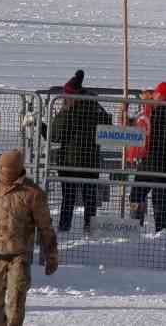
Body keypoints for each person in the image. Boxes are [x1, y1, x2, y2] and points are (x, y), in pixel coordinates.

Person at [0, 150, 59, 326]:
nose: (4, 173)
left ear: (17, 170)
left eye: (8, 170)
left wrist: (51, 256)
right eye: (1, 169)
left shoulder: (32, 193)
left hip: (19, 255)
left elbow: (46, 227)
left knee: (16, 299)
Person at [47, 79, 111, 235]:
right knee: (90, 199)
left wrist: (62, 113)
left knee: (68, 199)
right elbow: (107, 127)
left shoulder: (68, 111)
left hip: (69, 163)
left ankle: (64, 228)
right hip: (90, 162)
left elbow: (55, 135)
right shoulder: (95, 106)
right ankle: (90, 229)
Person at [131, 82, 166, 234]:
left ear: (161, 96)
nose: (153, 96)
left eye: (156, 93)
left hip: (154, 161)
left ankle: (136, 225)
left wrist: (148, 106)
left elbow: (150, 129)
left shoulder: (162, 110)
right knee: (165, 197)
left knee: (139, 194)